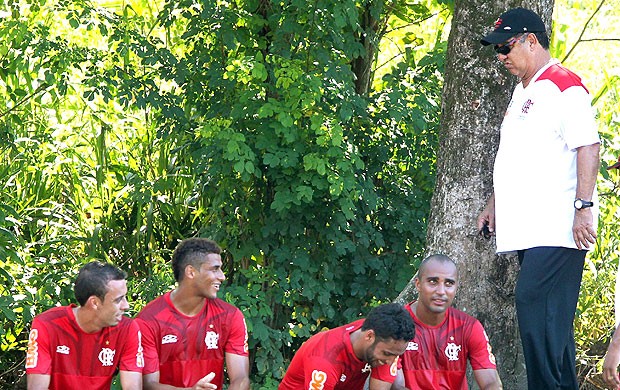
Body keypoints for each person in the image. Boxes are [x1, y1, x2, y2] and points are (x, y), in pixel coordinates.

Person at [478, 7, 600, 389]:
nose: (501, 58)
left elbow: (589, 146)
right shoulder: (523, 90)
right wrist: (494, 204)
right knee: (551, 331)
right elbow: (515, 156)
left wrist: (583, 207)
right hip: (529, 230)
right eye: (497, 51)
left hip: (558, 228)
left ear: (532, 41)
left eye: (506, 48)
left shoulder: (563, 85)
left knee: (535, 312)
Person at [136, 237, 250, 390]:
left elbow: (241, 379)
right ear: (191, 272)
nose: (222, 276)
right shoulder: (148, 320)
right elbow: (148, 384)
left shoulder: (230, 316)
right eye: (214, 269)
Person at [25, 261, 143, 390]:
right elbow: (37, 387)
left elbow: (133, 386)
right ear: (94, 303)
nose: (126, 306)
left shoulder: (128, 329)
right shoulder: (47, 325)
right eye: (118, 300)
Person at [394, 254, 502, 389]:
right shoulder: (396, 324)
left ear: (456, 287)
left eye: (449, 283)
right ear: (418, 284)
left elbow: (491, 383)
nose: (441, 291)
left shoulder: (469, 327)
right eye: (433, 282)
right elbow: (396, 386)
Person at [278, 302, 415, 390]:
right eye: (388, 354)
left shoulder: (384, 339)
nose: (391, 361)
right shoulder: (324, 362)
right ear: (369, 336)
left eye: (396, 355)